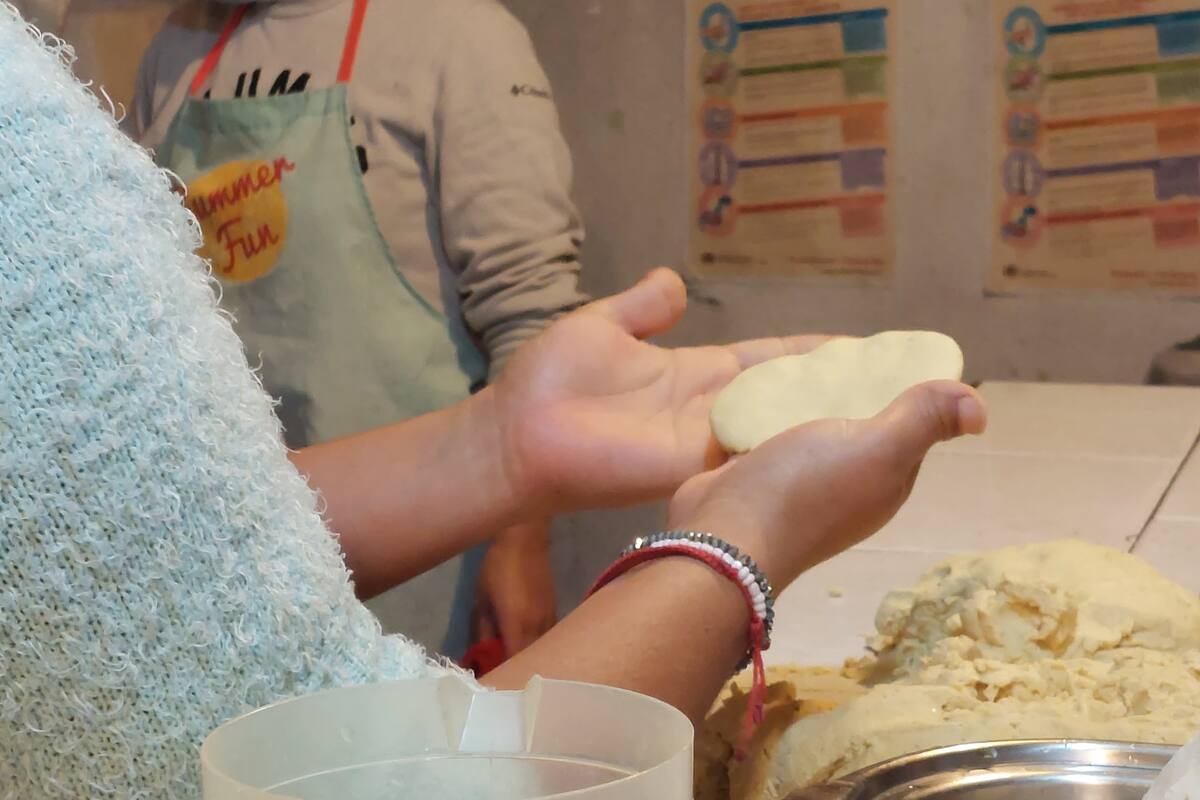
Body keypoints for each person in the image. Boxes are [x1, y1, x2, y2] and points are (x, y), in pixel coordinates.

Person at [0, 5, 987, 795]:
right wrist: (738, 546)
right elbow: (375, 779)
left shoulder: (454, 36)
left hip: (340, 533)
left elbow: (136, 533)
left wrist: (500, 454)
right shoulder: (139, 70)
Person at [131, 0, 589, 659]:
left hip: (431, 559)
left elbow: (532, 311)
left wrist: (523, 543)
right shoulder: (178, 48)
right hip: (242, 549)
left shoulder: (458, 34)